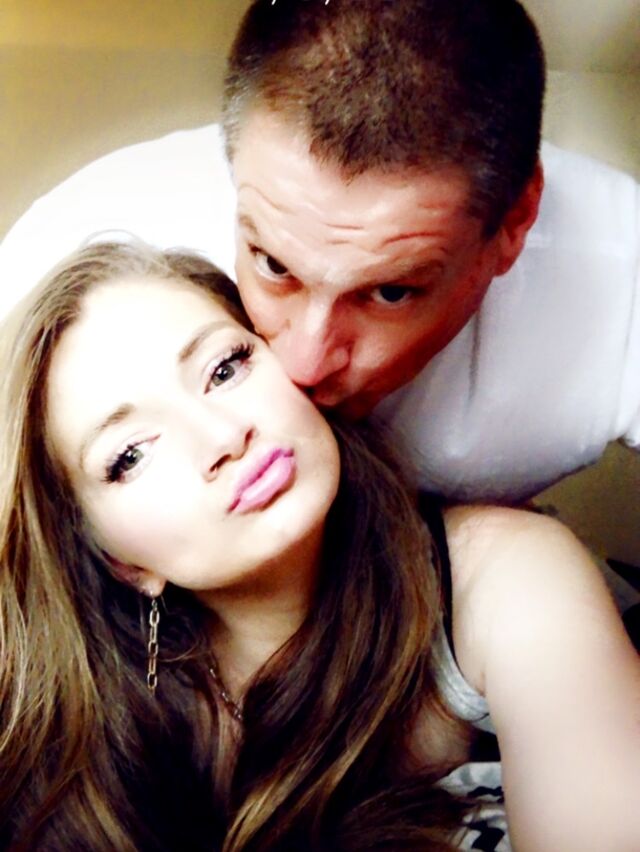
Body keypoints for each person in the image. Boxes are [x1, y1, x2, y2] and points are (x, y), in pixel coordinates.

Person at [1, 239, 638, 851]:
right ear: (119, 560)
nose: (223, 435)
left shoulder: (502, 578)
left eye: (225, 368)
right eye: (131, 455)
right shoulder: (82, 733)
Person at [0, 0, 638, 503]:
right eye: (273, 265)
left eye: (391, 292)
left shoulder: (624, 272)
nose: (303, 364)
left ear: (515, 222)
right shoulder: (67, 259)